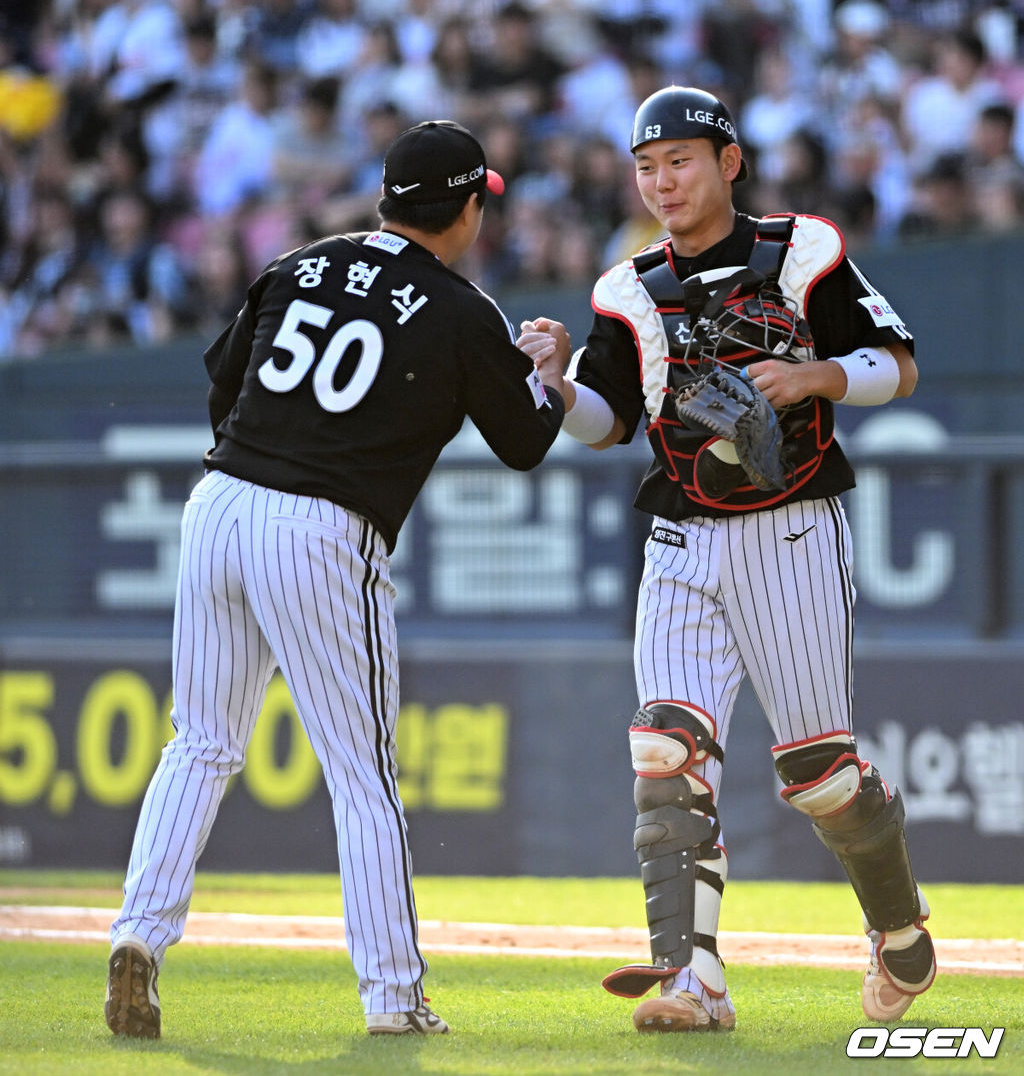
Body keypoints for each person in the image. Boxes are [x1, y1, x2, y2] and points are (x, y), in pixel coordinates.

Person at [105, 119, 566, 1039]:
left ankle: (138, 938)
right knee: (364, 776)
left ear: (390, 197)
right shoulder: (463, 308)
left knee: (198, 742)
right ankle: (393, 996)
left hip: (221, 500)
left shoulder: (304, 262)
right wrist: (546, 372)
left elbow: (221, 383)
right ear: (468, 206)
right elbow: (524, 442)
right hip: (318, 526)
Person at [518, 86, 936, 1034]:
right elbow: (608, 421)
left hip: (792, 524)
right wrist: (556, 384)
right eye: (647, 165)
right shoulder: (627, 289)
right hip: (680, 530)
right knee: (665, 749)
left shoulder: (802, 251)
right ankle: (694, 978)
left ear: (728, 162)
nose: (663, 181)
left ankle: (896, 918)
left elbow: (898, 362)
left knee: (822, 775)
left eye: (681, 160)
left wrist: (815, 374)